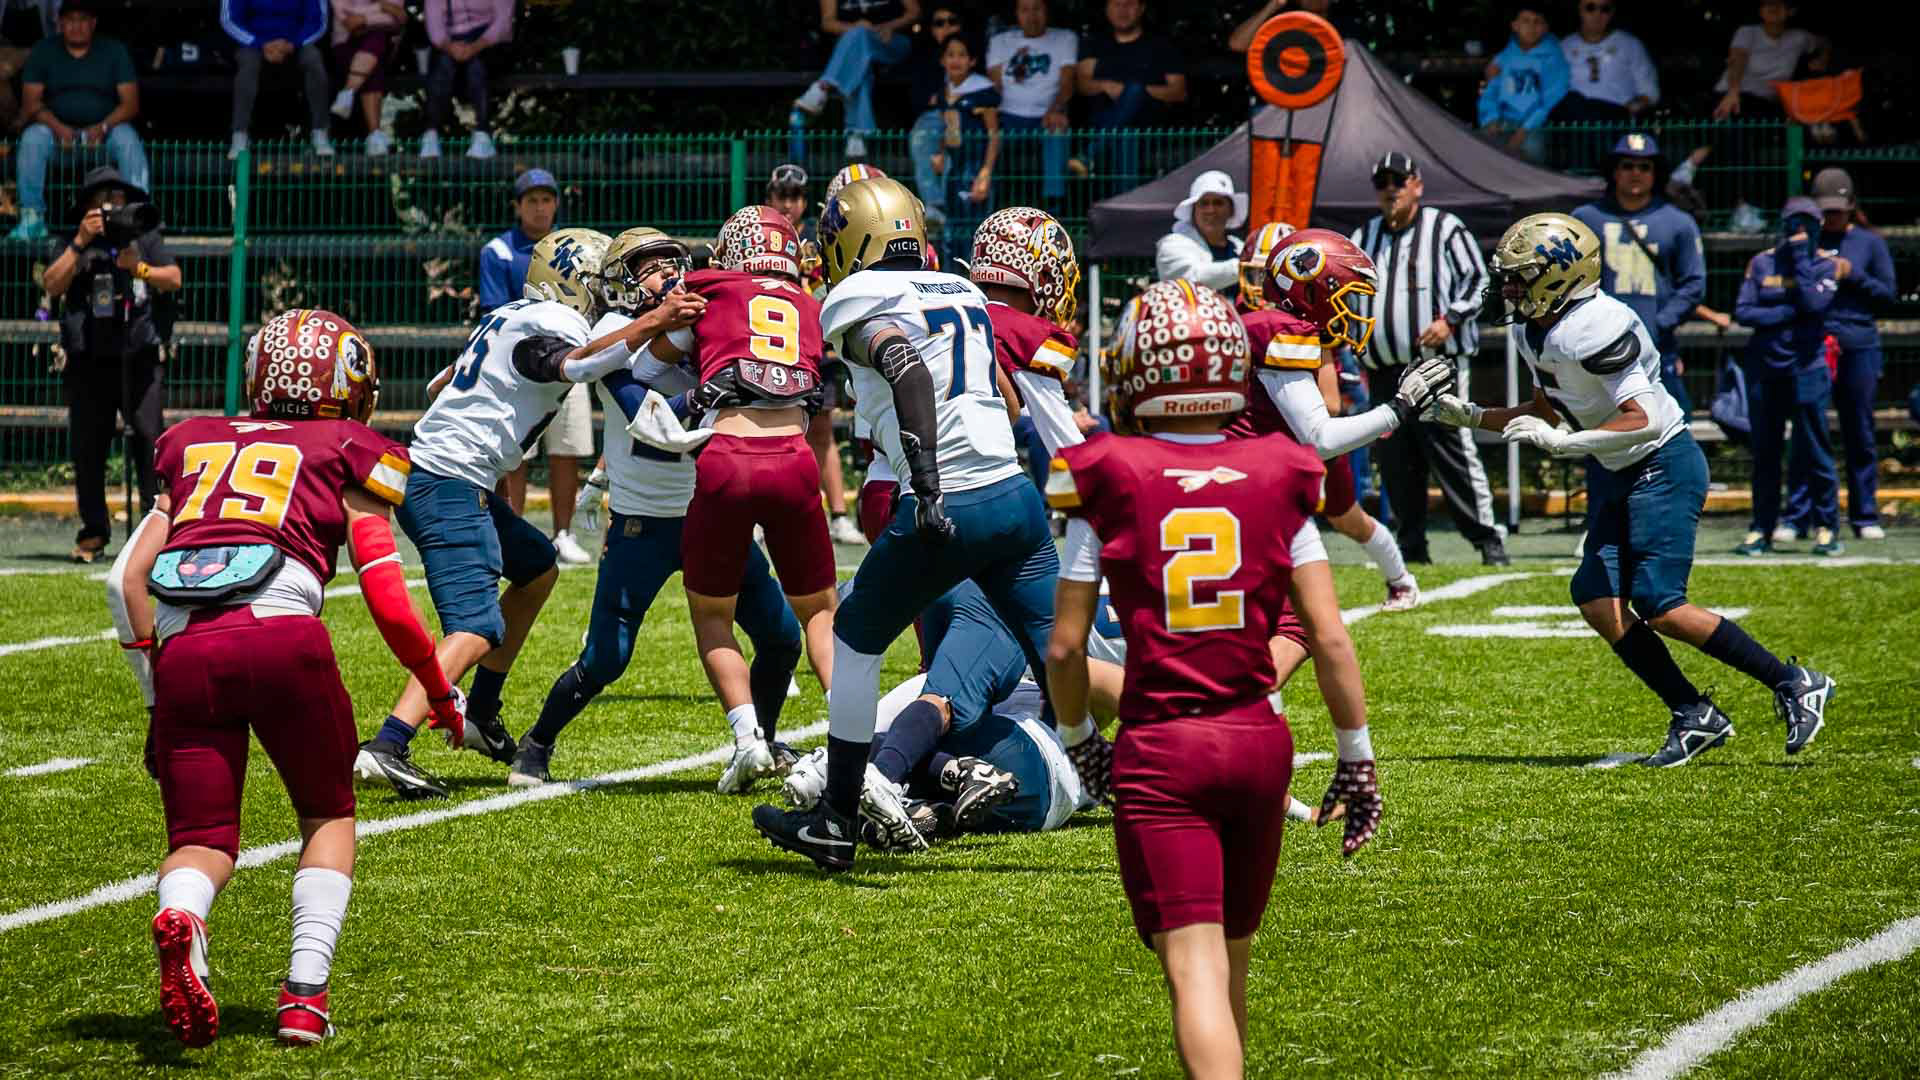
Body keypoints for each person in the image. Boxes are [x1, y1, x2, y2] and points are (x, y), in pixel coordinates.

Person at [1045, 279, 1382, 1079]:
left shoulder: (1106, 471)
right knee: (1231, 962)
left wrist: (1080, 739)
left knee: (1194, 968)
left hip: (1164, 746)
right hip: (1259, 742)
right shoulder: (1282, 467)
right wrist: (1357, 757)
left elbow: (1063, 651)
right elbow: (1328, 637)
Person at [107, 310, 464, 1047]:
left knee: (203, 836)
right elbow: (389, 603)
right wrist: (435, 687)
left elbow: (125, 580)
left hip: (185, 652)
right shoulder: (347, 448)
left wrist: (155, 697)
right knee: (327, 814)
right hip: (284, 637)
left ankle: (184, 915)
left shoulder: (193, 439)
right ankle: (304, 998)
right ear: (347, 388)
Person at [1432, 213, 1835, 765]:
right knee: (1596, 597)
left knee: (1660, 603)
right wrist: (1472, 415)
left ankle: (1794, 682)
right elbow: (1548, 410)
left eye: (1519, 278)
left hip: (1662, 462)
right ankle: (1694, 714)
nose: (1508, 290)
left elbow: (1641, 418)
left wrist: (1567, 444)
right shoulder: (1535, 328)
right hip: (1616, 467)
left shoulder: (1598, 324)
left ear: (1559, 275)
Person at [750, 177, 1061, 871]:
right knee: (1055, 656)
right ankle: (1146, 783)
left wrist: (924, 482)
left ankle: (835, 819)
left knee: (853, 641)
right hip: (1015, 496)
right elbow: (1001, 400)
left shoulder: (857, 296)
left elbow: (906, 368)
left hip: (950, 500)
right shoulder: (961, 289)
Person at [353, 229, 707, 799]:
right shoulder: (558, 323)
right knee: (474, 627)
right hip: (450, 481)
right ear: (574, 283)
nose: (610, 294)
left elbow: (440, 384)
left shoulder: (509, 315)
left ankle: (481, 712)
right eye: (600, 283)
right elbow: (571, 365)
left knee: (538, 568)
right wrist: (653, 321)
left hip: (444, 473)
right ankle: (388, 743)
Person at [515, 228, 806, 788]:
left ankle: (762, 743)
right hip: (642, 521)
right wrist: (713, 392)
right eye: (648, 268)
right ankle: (538, 742)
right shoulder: (612, 333)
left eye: (670, 263)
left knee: (781, 637)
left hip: (711, 511)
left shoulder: (708, 318)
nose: (666, 274)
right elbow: (649, 415)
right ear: (619, 283)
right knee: (606, 658)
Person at [627, 206, 842, 791]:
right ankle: (851, 734)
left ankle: (748, 740)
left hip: (726, 457)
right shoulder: (811, 305)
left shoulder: (708, 289)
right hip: (795, 458)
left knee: (713, 615)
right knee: (820, 614)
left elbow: (645, 368)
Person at [1226, 223, 1446, 613]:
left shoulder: (1264, 325)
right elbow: (1320, 435)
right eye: (1339, 291)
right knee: (1300, 619)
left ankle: (1400, 580)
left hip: (1257, 464)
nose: (1346, 305)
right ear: (1308, 287)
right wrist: (1398, 409)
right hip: (1264, 471)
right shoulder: (1279, 330)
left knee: (1343, 525)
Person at [1347, 151, 1507, 566]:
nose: (1391, 190)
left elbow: (1479, 280)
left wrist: (1450, 319)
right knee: (1396, 459)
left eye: (1398, 181)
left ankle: (1488, 540)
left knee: (1451, 448)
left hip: (1437, 366)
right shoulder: (1364, 235)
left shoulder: (1446, 228)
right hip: (1383, 369)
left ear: (1417, 185)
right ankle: (1412, 544)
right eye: (1382, 183)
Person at [42, 166, 180, 564]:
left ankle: (156, 532)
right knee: (88, 448)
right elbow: (52, 284)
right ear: (87, 206)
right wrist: (80, 243)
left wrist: (138, 268)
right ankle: (94, 532)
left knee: (151, 443)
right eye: (101, 199)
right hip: (88, 360)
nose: (110, 206)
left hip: (138, 357)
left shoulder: (143, 236)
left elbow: (173, 278)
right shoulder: (70, 240)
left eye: (116, 198)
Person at [477, 169, 596, 566]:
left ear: (557, 204)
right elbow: (495, 312)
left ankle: (563, 534)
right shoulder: (498, 251)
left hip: (570, 360)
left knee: (567, 449)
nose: (540, 208)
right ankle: (514, 532)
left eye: (547, 200)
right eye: (532, 201)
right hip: (518, 367)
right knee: (516, 454)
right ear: (517, 206)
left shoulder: (574, 248)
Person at [1731, 197, 1843, 556]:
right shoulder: (1762, 262)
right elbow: (1744, 312)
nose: (1800, 230)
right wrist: (1789, 313)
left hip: (1807, 369)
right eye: (1794, 222)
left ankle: (1826, 527)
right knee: (1766, 454)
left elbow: (1815, 304)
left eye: (1808, 223)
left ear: (1819, 226)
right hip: (1766, 371)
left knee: (1815, 451)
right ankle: (1761, 528)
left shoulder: (1825, 265)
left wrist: (1799, 260)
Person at [1572, 133, 1706, 416]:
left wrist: (1660, 323)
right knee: (1600, 432)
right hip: (1596, 347)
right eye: (1627, 165)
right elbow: (1570, 279)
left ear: (1656, 173)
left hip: (1658, 349)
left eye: (1645, 167)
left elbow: (1694, 283)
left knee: (1669, 427)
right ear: (1614, 171)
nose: (1636, 173)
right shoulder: (1585, 219)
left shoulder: (1679, 222)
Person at [1799, 168, 1893, 541]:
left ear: (1852, 205)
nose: (1831, 217)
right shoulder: (1805, 241)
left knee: (1860, 431)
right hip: (1813, 344)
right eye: (1824, 211)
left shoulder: (1870, 243)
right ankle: (1804, 516)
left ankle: (1864, 514)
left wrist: (1852, 273)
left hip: (1858, 345)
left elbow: (1887, 295)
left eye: (1837, 210)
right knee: (1809, 430)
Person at [10, 0, 146, 242]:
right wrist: (58, 128)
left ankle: (139, 216)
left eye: (82, 20)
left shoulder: (113, 51)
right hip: (56, 138)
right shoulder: (44, 50)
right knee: (32, 137)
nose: (76, 26)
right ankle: (31, 218)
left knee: (127, 137)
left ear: (93, 23)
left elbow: (130, 104)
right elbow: (31, 104)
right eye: (70, 20)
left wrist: (103, 127)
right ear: (60, 23)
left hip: (103, 138)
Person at [790, 0, 923, 161]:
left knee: (857, 46)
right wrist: (856, 29)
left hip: (891, 42)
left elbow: (914, 12)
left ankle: (823, 87)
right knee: (860, 65)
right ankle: (858, 136)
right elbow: (828, 22)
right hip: (854, 49)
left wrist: (888, 27)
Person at [1074, 0, 1186, 186]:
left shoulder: (1161, 45)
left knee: (1133, 100)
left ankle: (1090, 154)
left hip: (1147, 127)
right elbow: (1082, 84)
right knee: (1124, 131)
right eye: (1117, 4)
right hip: (1102, 120)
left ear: (1142, 8)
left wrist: (1136, 92)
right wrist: (1106, 86)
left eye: (1129, 4)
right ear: (1107, 9)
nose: (1122, 10)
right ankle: (1124, 200)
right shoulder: (1095, 43)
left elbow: (1178, 91)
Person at [987, 0, 1076, 216]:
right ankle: (988, 207)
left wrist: (1056, 109)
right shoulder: (1000, 41)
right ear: (1016, 13)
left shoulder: (1065, 38)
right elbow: (995, 86)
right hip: (1007, 117)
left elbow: (1067, 83)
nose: (1031, 15)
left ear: (1047, 11)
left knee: (1057, 130)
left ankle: (1053, 210)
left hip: (1046, 116)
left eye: (1037, 8)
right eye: (1025, 9)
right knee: (981, 135)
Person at [220, 0, 333, 159]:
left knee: (313, 60)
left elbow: (318, 20)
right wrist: (261, 44)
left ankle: (320, 132)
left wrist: (293, 44)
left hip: (295, 42)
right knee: (248, 65)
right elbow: (229, 19)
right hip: (252, 43)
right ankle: (240, 136)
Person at [929, 33, 1000, 269]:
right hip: (955, 168)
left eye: (962, 55)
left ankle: (978, 283)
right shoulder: (943, 93)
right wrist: (940, 153)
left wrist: (985, 172)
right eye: (950, 55)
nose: (956, 60)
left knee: (975, 232)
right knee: (952, 232)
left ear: (972, 61)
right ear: (942, 60)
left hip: (975, 166)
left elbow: (994, 135)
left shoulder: (983, 91)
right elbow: (947, 129)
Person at [420, 0, 513, 160]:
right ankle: (431, 135)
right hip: (451, 43)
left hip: (489, 41)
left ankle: (483, 134)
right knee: (442, 65)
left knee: (477, 66)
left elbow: (503, 22)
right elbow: (435, 27)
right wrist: (450, 47)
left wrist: (475, 46)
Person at [1475, 6, 1566, 163]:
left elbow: (1547, 103)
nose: (1531, 27)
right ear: (1515, 26)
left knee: (1531, 158)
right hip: (1501, 122)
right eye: (1526, 21)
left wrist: (1522, 132)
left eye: (1537, 22)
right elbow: (1490, 92)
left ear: (1545, 28)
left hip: (1534, 125)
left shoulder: (1555, 59)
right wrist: (1490, 118)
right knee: (1483, 157)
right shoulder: (1504, 57)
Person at [904, 5, 967, 229]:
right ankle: (936, 207)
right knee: (921, 138)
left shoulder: (975, 53)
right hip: (933, 119)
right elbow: (920, 100)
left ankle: (955, 210)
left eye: (952, 21)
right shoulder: (923, 58)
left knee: (954, 152)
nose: (946, 27)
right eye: (940, 23)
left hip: (967, 118)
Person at [1711, 1, 1826, 121]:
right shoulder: (1747, 32)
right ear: (1761, 11)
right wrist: (1733, 92)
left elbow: (1824, 43)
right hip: (1733, 96)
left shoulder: (1799, 38)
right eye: (1767, 3)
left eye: (1779, 3)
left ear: (1791, 11)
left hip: (1768, 104)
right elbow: (1737, 59)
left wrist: (1822, 59)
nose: (1773, 7)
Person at [1554, 0, 1658, 124]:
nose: (1597, 14)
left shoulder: (1630, 44)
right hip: (1575, 124)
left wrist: (1631, 109)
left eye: (1605, 9)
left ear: (1612, 12)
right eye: (1590, 7)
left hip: (1616, 122)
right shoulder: (1564, 47)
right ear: (1580, 10)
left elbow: (1650, 92)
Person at [328, 0, 405, 155]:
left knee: (377, 37)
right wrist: (382, 7)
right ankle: (374, 135)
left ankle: (348, 91)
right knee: (373, 63)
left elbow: (398, 19)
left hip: (382, 44)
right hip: (346, 42)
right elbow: (348, 21)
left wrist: (364, 19)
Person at [1154, 169, 1243, 295]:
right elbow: (1192, 280)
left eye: (1218, 203)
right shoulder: (1172, 245)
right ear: (1193, 210)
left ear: (1231, 210)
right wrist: (1246, 267)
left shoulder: (1240, 247)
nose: (1211, 210)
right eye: (1204, 203)